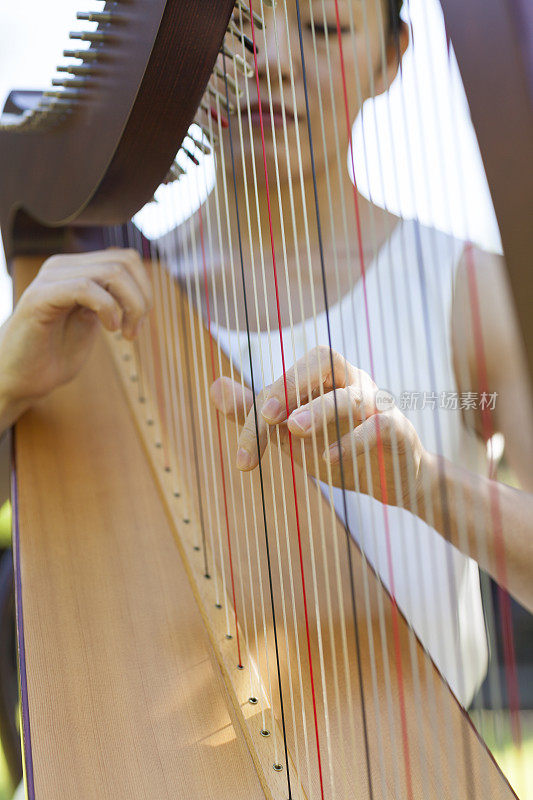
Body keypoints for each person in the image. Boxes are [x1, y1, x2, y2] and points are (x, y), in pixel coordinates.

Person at [201, 0, 533, 707]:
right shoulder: (104, 301)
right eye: (238, 27)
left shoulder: (466, 286)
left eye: (322, 28)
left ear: (389, 61)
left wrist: (424, 485)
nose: (272, 61)